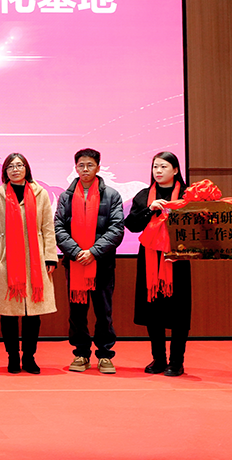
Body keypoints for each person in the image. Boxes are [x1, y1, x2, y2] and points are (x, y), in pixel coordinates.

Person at [0, 153, 57, 375]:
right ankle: (13, 356)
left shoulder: (40, 193)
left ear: (27, 168)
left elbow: (47, 227)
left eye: (19, 165)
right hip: (7, 261)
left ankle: (29, 357)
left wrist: (50, 256)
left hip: (35, 260)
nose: (15, 169)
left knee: (33, 315)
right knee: (8, 313)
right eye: (11, 166)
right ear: (5, 171)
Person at [54, 148, 125, 374]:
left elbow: (116, 229)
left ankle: (105, 355)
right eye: (81, 165)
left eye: (90, 165)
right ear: (75, 168)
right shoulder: (66, 196)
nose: (85, 169)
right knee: (77, 313)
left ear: (98, 167)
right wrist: (76, 252)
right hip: (75, 264)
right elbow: (58, 228)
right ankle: (81, 354)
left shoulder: (112, 195)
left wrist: (93, 252)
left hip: (102, 264)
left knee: (104, 312)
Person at [124, 151, 190, 377]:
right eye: (155, 167)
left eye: (163, 167)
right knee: (153, 310)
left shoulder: (188, 194)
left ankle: (177, 361)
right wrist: (149, 209)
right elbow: (131, 225)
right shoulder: (144, 195)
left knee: (178, 312)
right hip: (150, 258)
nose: (158, 171)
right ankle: (159, 359)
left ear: (175, 170)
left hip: (178, 259)